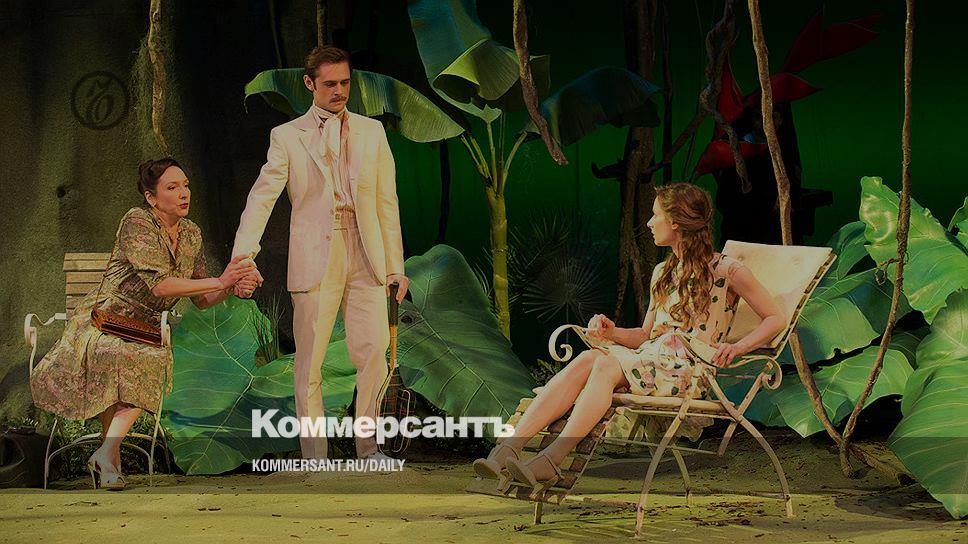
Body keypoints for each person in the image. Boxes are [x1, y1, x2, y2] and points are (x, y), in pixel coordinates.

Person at [473, 182, 785, 490]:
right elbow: (645, 335)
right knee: (589, 358)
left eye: (656, 215)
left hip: (690, 370)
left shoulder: (727, 270)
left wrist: (739, 347)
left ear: (676, 222)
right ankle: (508, 449)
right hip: (651, 360)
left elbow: (776, 317)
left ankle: (552, 459)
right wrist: (612, 331)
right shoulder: (663, 273)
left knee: (604, 363)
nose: (649, 223)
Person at [30, 158, 261, 490]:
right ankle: (108, 457)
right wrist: (222, 279)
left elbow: (202, 298)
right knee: (126, 357)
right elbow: (161, 286)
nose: (184, 193)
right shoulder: (137, 221)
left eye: (186, 185)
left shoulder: (191, 234)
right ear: (152, 197)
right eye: (172, 187)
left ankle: (106, 456)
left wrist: (233, 286)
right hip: (104, 321)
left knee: (145, 358)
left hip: (145, 329)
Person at [231, 45, 408, 461]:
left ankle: (369, 448)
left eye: (345, 82)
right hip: (316, 253)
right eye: (330, 84)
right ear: (310, 84)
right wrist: (243, 254)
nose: (339, 91)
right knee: (309, 362)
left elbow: (387, 202)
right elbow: (263, 197)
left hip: (366, 251)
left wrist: (395, 266)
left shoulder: (372, 132)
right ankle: (315, 456)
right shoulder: (288, 136)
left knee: (374, 354)